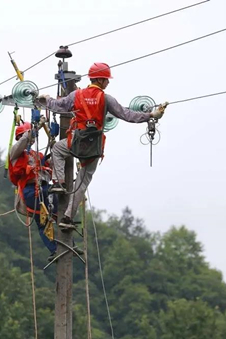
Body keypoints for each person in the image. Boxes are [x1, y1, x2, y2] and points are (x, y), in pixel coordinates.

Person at [38, 62, 166, 229]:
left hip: (76, 140)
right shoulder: (106, 99)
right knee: (82, 182)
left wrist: (46, 100)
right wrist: (151, 115)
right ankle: (68, 217)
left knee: (58, 149)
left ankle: (58, 183)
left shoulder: (76, 95)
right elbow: (126, 115)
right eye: (106, 79)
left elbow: (58, 106)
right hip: (94, 146)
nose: (108, 82)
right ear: (99, 80)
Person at [9, 121, 58, 260]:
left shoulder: (38, 155)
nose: (32, 139)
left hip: (44, 187)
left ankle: (66, 244)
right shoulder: (15, 154)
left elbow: (52, 167)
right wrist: (32, 130)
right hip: (30, 190)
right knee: (42, 223)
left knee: (59, 214)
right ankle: (55, 249)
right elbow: (23, 142)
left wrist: (56, 149)